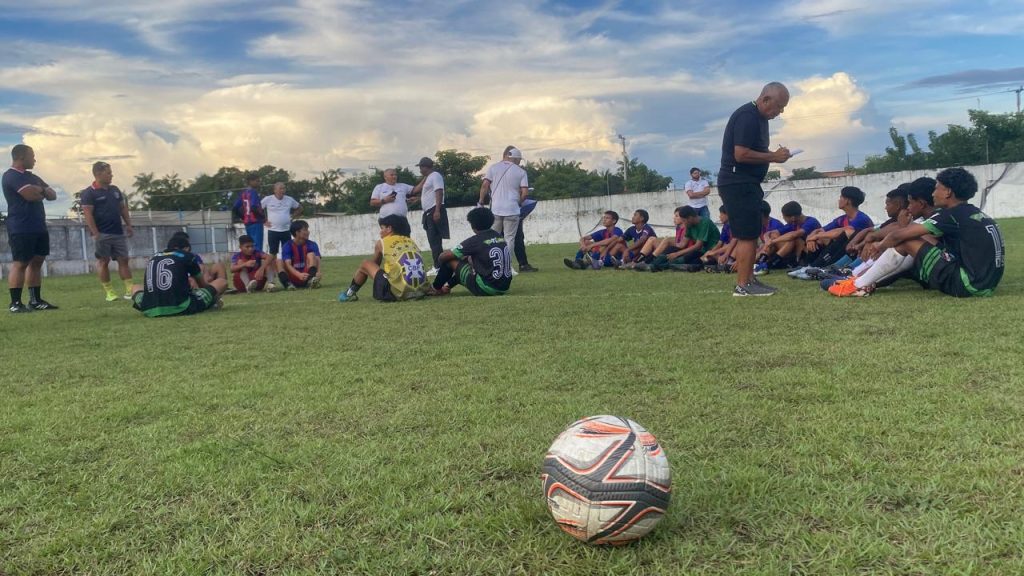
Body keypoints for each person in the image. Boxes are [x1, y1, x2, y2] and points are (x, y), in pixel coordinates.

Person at [830, 168, 1004, 298]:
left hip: (968, 285)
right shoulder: (973, 212)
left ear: (948, 192)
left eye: (937, 188)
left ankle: (857, 284)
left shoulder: (951, 214)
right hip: (985, 285)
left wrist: (879, 245)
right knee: (913, 238)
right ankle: (859, 279)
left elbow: (899, 236)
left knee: (906, 240)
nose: (933, 194)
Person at [717, 82, 793, 296]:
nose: (780, 112)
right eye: (778, 106)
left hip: (748, 183)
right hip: (737, 182)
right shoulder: (747, 116)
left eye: (783, 108)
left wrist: (774, 155)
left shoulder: (759, 119)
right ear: (765, 99)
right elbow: (741, 154)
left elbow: (755, 151)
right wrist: (773, 157)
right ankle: (743, 284)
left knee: (751, 233)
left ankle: (750, 279)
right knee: (746, 235)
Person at [3, 144, 59, 312]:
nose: (34, 159)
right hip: (21, 227)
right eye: (32, 156)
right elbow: (30, 196)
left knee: (37, 261)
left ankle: (35, 300)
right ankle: (15, 303)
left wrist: (39, 189)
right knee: (21, 263)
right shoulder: (11, 176)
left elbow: (52, 195)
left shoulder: (33, 177)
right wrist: (41, 191)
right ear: (21, 157)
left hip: (38, 225)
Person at [131, 234, 226, 317]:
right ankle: (213, 304)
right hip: (181, 306)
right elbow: (203, 285)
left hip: (149, 307)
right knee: (221, 282)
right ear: (186, 249)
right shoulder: (187, 256)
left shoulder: (154, 257)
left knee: (135, 287)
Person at [338, 215, 427, 302]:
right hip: (420, 291)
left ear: (389, 229)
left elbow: (374, 265)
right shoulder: (411, 242)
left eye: (382, 228)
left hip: (396, 293)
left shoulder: (382, 243)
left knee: (365, 264)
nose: (380, 232)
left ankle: (349, 293)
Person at [80, 161, 135, 302]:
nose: (111, 175)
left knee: (124, 260)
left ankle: (129, 290)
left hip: (118, 232)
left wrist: (129, 224)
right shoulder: (89, 193)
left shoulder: (115, 190)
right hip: (102, 233)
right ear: (98, 174)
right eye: (108, 173)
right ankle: (110, 292)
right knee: (104, 261)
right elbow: (88, 214)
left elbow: (123, 208)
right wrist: (95, 233)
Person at [429, 207, 513, 297]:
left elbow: (444, 256)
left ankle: (435, 289)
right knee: (467, 260)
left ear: (473, 225)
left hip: (486, 288)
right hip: (504, 287)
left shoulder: (476, 240)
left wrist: (441, 260)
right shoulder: (499, 236)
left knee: (450, 261)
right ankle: (447, 286)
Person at [480, 146, 529, 252]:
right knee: (509, 238)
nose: (519, 162)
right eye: (519, 160)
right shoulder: (521, 172)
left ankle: (493, 259)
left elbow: (484, 185)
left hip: (496, 208)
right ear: (515, 158)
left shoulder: (493, 168)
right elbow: (525, 193)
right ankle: (507, 262)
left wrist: (481, 201)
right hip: (512, 209)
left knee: (493, 237)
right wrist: (519, 203)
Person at [410, 156, 448, 275]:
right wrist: (418, 199)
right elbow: (428, 193)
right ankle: (439, 265)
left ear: (425, 167)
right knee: (433, 241)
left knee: (435, 241)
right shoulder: (429, 178)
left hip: (434, 210)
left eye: (421, 167)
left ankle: (438, 267)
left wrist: (437, 210)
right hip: (429, 212)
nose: (420, 170)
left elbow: (439, 192)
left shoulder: (435, 176)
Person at [261, 181, 301, 290]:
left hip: (286, 230)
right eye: (280, 188)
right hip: (273, 231)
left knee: (287, 254)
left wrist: (292, 217)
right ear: (274, 190)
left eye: (284, 188)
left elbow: (299, 207)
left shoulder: (289, 199)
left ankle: (287, 277)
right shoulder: (268, 199)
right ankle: (271, 279)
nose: (282, 190)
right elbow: (257, 209)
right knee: (272, 253)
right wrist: (263, 220)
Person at [759, 201, 820, 270]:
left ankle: (769, 263)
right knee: (774, 236)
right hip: (799, 252)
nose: (783, 218)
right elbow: (771, 233)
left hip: (814, 251)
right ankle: (761, 261)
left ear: (793, 217)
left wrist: (772, 242)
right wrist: (767, 239)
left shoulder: (811, 222)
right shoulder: (794, 223)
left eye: (784, 216)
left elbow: (793, 235)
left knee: (794, 239)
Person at [633, 206, 693, 271]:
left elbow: (682, 245)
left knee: (666, 240)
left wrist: (668, 242)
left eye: (677, 216)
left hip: (683, 252)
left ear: (683, 217)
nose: (674, 218)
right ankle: (636, 261)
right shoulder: (679, 228)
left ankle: (648, 261)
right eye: (674, 216)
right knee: (652, 239)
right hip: (676, 249)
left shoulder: (687, 228)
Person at [280, 220, 322, 289]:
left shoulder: (312, 244)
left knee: (311, 255)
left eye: (307, 229)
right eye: (305, 230)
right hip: (293, 276)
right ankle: (288, 284)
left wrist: (318, 272)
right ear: (297, 233)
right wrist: (298, 275)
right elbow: (288, 264)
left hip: (307, 275)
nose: (308, 232)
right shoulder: (287, 245)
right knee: (278, 261)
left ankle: (310, 281)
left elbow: (317, 258)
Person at [233, 173, 265, 251]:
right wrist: (263, 218)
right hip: (256, 222)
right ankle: (257, 259)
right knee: (257, 245)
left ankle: (252, 258)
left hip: (248, 223)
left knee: (251, 245)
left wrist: (244, 217)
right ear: (251, 181)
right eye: (257, 181)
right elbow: (253, 208)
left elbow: (235, 208)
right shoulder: (253, 192)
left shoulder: (243, 193)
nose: (259, 183)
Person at [702, 205, 737, 272]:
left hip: (734, 251)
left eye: (721, 214)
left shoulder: (735, 226)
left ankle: (728, 264)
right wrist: (710, 252)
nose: (719, 216)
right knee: (708, 256)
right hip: (727, 250)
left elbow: (733, 243)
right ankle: (721, 263)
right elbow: (719, 243)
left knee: (734, 246)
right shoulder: (726, 226)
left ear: (727, 215)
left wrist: (715, 252)